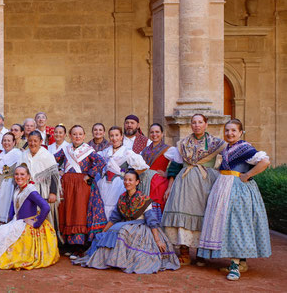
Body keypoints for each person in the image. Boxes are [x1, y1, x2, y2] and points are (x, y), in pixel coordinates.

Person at [197, 119, 271, 281]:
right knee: (228, 223)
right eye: (227, 130)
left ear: (240, 132)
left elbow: (265, 161)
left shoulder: (245, 148)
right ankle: (240, 262)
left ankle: (236, 266)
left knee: (235, 223)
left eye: (233, 131)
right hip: (223, 187)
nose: (230, 133)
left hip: (237, 190)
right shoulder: (227, 148)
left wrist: (248, 175)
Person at [73, 169, 179, 273]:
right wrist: (104, 231)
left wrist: (157, 240)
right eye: (125, 180)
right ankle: (109, 260)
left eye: (130, 180)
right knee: (111, 231)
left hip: (140, 228)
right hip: (126, 225)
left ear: (137, 182)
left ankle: (124, 261)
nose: (127, 182)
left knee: (123, 231)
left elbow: (151, 220)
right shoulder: (122, 198)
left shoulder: (143, 199)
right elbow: (114, 218)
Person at [0, 164, 60, 269]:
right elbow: (13, 209)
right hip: (17, 223)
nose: (19, 177)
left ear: (28, 176)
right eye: (17, 174)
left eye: (22, 174)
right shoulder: (18, 189)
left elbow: (45, 207)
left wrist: (37, 223)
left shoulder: (31, 191)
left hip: (26, 225)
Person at [161, 114, 227, 266]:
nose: (197, 125)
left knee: (204, 214)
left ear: (206, 124)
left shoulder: (216, 143)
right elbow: (175, 166)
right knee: (181, 212)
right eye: (194, 122)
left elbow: (228, 160)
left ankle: (201, 253)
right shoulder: (183, 144)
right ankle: (184, 252)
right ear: (191, 125)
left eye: (200, 122)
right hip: (184, 183)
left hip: (206, 183)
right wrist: (170, 187)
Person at [52, 125, 107, 257]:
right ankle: (67, 245)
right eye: (74, 134)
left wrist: (90, 174)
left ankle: (79, 246)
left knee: (79, 212)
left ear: (84, 136)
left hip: (82, 186)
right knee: (67, 211)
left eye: (80, 134)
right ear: (70, 136)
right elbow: (51, 160)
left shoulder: (88, 151)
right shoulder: (65, 150)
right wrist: (58, 171)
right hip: (67, 184)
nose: (77, 137)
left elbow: (101, 162)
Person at [97, 126, 150, 219]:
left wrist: (123, 173)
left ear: (121, 136)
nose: (114, 138)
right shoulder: (105, 152)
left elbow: (143, 167)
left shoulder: (127, 152)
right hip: (104, 185)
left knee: (116, 209)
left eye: (117, 135)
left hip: (118, 184)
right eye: (112, 136)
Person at [20, 131, 60, 235]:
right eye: (30, 141)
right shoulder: (24, 155)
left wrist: (53, 192)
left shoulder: (47, 155)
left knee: (44, 217)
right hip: (28, 191)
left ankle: (47, 242)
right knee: (28, 216)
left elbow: (54, 175)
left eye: (35, 141)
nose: (32, 143)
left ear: (41, 141)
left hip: (44, 191)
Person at [138, 123, 177, 220]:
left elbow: (178, 164)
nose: (154, 134)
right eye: (152, 132)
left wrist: (167, 173)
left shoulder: (168, 150)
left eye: (157, 132)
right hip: (145, 184)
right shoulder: (145, 150)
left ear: (162, 134)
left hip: (159, 185)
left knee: (155, 211)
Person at [0, 132, 22, 223]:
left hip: (11, 185)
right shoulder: (0, 156)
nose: (6, 143)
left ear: (14, 142)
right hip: (0, 184)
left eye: (9, 141)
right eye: (4, 141)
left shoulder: (18, 154)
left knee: (9, 209)